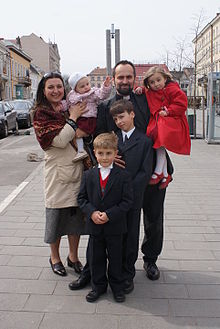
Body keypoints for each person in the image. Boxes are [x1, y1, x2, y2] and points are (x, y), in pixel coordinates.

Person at [69, 60, 173, 291]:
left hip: (152, 167)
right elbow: (98, 137)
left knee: (153, 219)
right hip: (118, 175)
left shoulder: (145, 98)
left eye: (129, 77)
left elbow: (167, 101)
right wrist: (103, 159)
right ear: (114, 79)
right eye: (120, 77)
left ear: (135, 78)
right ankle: (104, 269)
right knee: (121, 224)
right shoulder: (105, 106)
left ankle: (150, 260)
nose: (125, 81)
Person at [33, 72, 87, 277]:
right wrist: (73, 118)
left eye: (59, 86)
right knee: (55, 218)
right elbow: (60, 141)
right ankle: (54, 257)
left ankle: (73, 257)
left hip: (78, 169)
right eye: (51, 87)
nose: (56, 91)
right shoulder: (41, 114)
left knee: (75, 218)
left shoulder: (67, 107)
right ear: (44, 91)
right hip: (57, 174)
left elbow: (85, 130)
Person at [77, 133, 133, 302]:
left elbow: (127, 202)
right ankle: (98, 287)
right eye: (101, 153)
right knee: (96, 258)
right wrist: (92, 212)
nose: (105, 157)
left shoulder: (124, 176)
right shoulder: (88, 175)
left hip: (115, 227)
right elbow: (81, 199)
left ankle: (117, 287)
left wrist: (109, 214)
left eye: (109, 153)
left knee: (116, 258)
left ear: (115, 153)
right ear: (95, 153)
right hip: (95, 226)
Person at [109, 99, 153, 292]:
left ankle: (128, 274)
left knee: (131, 235)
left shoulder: (144, 141)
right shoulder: (113, 139)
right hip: (113, 199)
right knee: (115, 235)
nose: (119, 121)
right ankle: (114, 271)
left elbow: (145, 172)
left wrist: (129, 192)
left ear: (132, 114)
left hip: (133, 198)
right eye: (116, 118)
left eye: (122, 116)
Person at [136, 66, 191, 189]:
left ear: (165, 78)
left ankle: (159, 172)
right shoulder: (151, 91)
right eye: (152, 82)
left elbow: (182, 104)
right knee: (156, 140)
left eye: (158, 80)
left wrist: (168, 111)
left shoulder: (172, 89)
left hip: (172, 120)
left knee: (159, 139)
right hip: (160, 120)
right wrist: (140, 88)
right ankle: (165, 174)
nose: (156, 84)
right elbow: (145, 91)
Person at [67, 73, 112, 161]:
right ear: (75, 89)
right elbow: (68, 104)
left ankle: (81, 151)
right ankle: (81, 150)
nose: (86, 87)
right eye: (82, 86)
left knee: (77, 134)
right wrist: (61, 106)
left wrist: (106, 86)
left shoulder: (92, 92)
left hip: (89, 118)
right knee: (75, 133)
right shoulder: (72, 96)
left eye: (87, 84)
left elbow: (102, 95)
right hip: (79, 118)